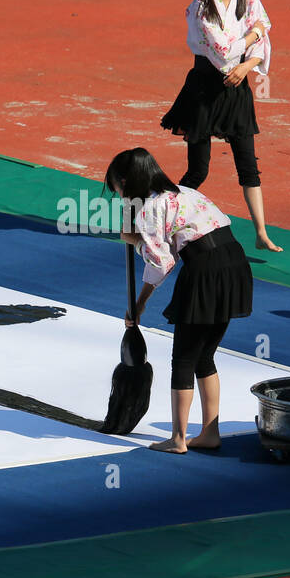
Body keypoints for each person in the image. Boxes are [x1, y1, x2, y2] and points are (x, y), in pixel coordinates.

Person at [104, 147, 252, 453]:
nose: (118, 195)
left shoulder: (150, 208)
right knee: (204, 356)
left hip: (205, 271)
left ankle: (178, 438)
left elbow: (162, 261)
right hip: (235, 263)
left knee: (183, 358)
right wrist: (140, 239)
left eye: (116, 188)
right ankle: (209, 433)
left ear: (125, 182)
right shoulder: (185, 192)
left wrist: (140, 300)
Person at [160, 0, 281, 252]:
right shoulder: (202, 7)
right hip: (204, 89)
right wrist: (254, 33)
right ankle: (160, 217)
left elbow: (263, 39)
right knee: (199, 169)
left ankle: (260, 233)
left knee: (248, 166)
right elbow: (225, 49)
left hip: (237, 87)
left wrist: (248, 66)